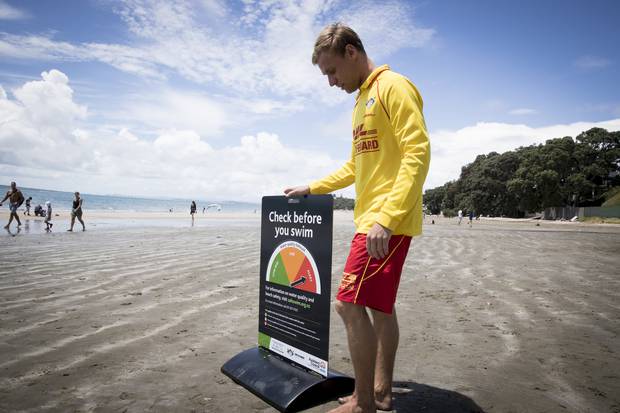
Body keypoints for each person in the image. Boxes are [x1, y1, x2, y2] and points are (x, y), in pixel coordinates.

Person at [284, 23, 430, 413]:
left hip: (384, 223)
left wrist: (387, 217)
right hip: (379, 218)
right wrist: (313, 187)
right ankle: (380, 393)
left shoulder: (393, 87)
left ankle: (363, 403)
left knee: (347, 304)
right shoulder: (360, 102)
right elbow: (355, 166)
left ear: (352, 53)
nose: (331, 82)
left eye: (332, 72)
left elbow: (418, 151)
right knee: (380, 309)